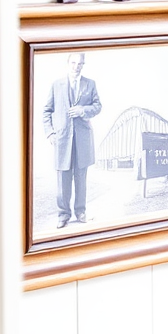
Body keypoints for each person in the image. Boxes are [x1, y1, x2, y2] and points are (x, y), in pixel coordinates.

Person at [42, 52, 101, 229]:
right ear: (68, 63)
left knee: (81, 178)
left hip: (82, 140)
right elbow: (46, 111)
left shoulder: (90, 84)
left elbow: (98, 106)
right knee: (63, 179)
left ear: (84, 64)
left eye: (80, 63)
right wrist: (50, 133)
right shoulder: (56, 84)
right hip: (62, 140)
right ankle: (63, 215)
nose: (77, 66)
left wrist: (83, 110)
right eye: (74, 63)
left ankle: (81, 212)